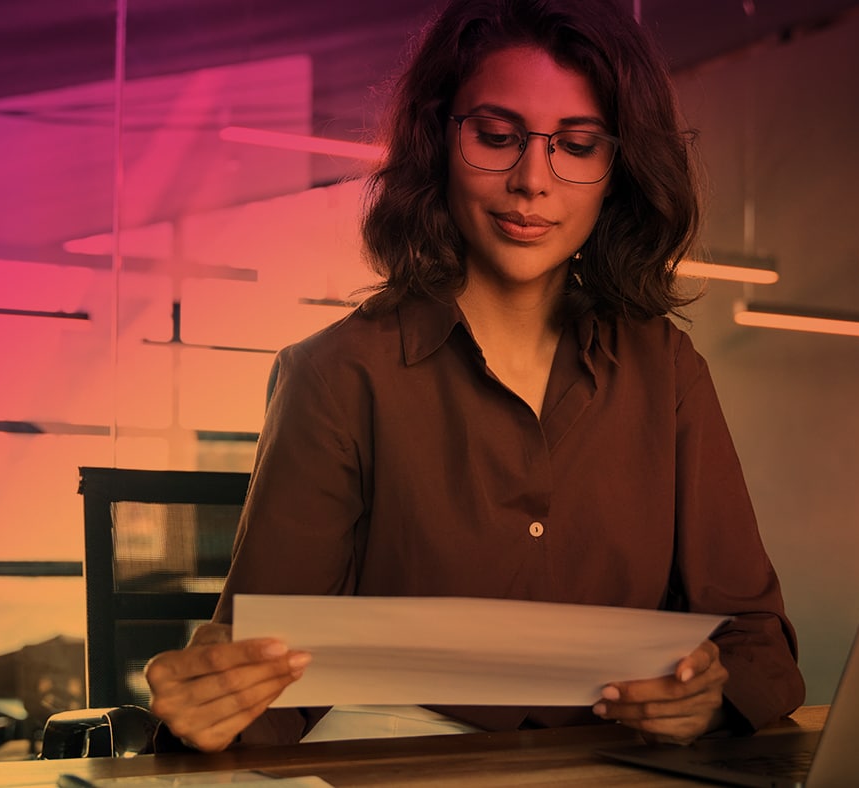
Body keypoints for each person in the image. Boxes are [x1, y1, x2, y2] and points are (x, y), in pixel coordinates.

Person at [143, 0, 805, 752]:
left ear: (617, 173)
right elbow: (260, 681)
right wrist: (209, 708)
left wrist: (711, 700)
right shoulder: (335, 377)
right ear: (437, 142)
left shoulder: (668, 371)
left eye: (579, 146)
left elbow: (760, 645)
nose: (532, 181)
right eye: (497, 137)